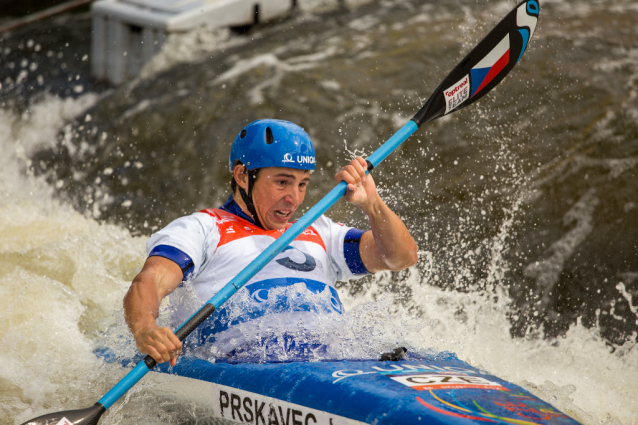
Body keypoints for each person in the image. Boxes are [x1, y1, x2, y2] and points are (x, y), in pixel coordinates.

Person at [123, 119, 418, 366]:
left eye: (302, 184)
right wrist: (146, 328)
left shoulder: (319, 231)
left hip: (335, 362)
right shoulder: (203, 228)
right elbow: (148, 282)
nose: (294, 198)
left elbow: (400, 257)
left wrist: (372, 204)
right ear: (242, 175)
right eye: (282, 182)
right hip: (248, 367)